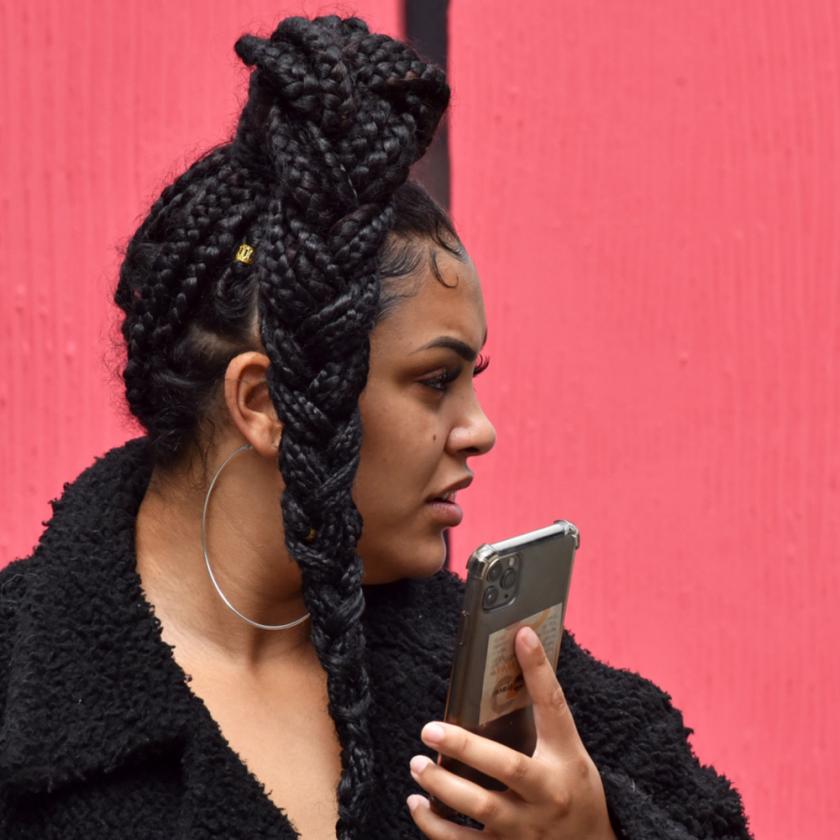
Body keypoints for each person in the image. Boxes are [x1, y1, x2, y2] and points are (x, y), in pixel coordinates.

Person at [0, 14, 752, 840]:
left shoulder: (502, 690)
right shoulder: (22, 691)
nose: (480, 431)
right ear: (266, 403)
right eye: (436, 382)